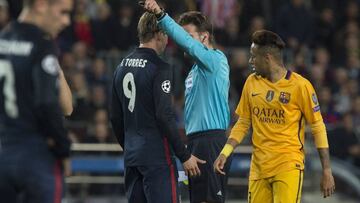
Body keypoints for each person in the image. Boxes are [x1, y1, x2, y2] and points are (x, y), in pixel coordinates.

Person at [214, 30, 336, 203]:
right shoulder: (251, 82)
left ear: (268, 58)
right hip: (258, 168)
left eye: (253, 56)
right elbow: (243, 122)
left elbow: (318, 127)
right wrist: (225, 153)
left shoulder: (300, 86)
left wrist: (326, 170)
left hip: (288, 164)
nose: (250, 61)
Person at [110, 12, 205, 203]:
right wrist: (184, 155)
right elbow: (164, 115)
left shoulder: (120, 67)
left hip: (132, 158)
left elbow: (115, 116)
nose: (167, 40)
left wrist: (129, 147)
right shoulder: (159, 67)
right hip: (156, 158)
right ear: (159, 34)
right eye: (167, 34)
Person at [143, 1, 232, 202]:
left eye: (188, 36)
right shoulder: (195, 70)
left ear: (204, 37)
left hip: (211, 142)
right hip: (195, 142)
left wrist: (160, 14)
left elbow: (189, 45)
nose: (182, 41)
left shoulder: (215, 60)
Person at [0, 0, 73, 202]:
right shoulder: (42, 45)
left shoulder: (3, 39)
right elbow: (53, 105)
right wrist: (63, 148)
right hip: (35, 157)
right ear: (41, 4)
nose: (67, 21)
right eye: (63, 12)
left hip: (4, 153)